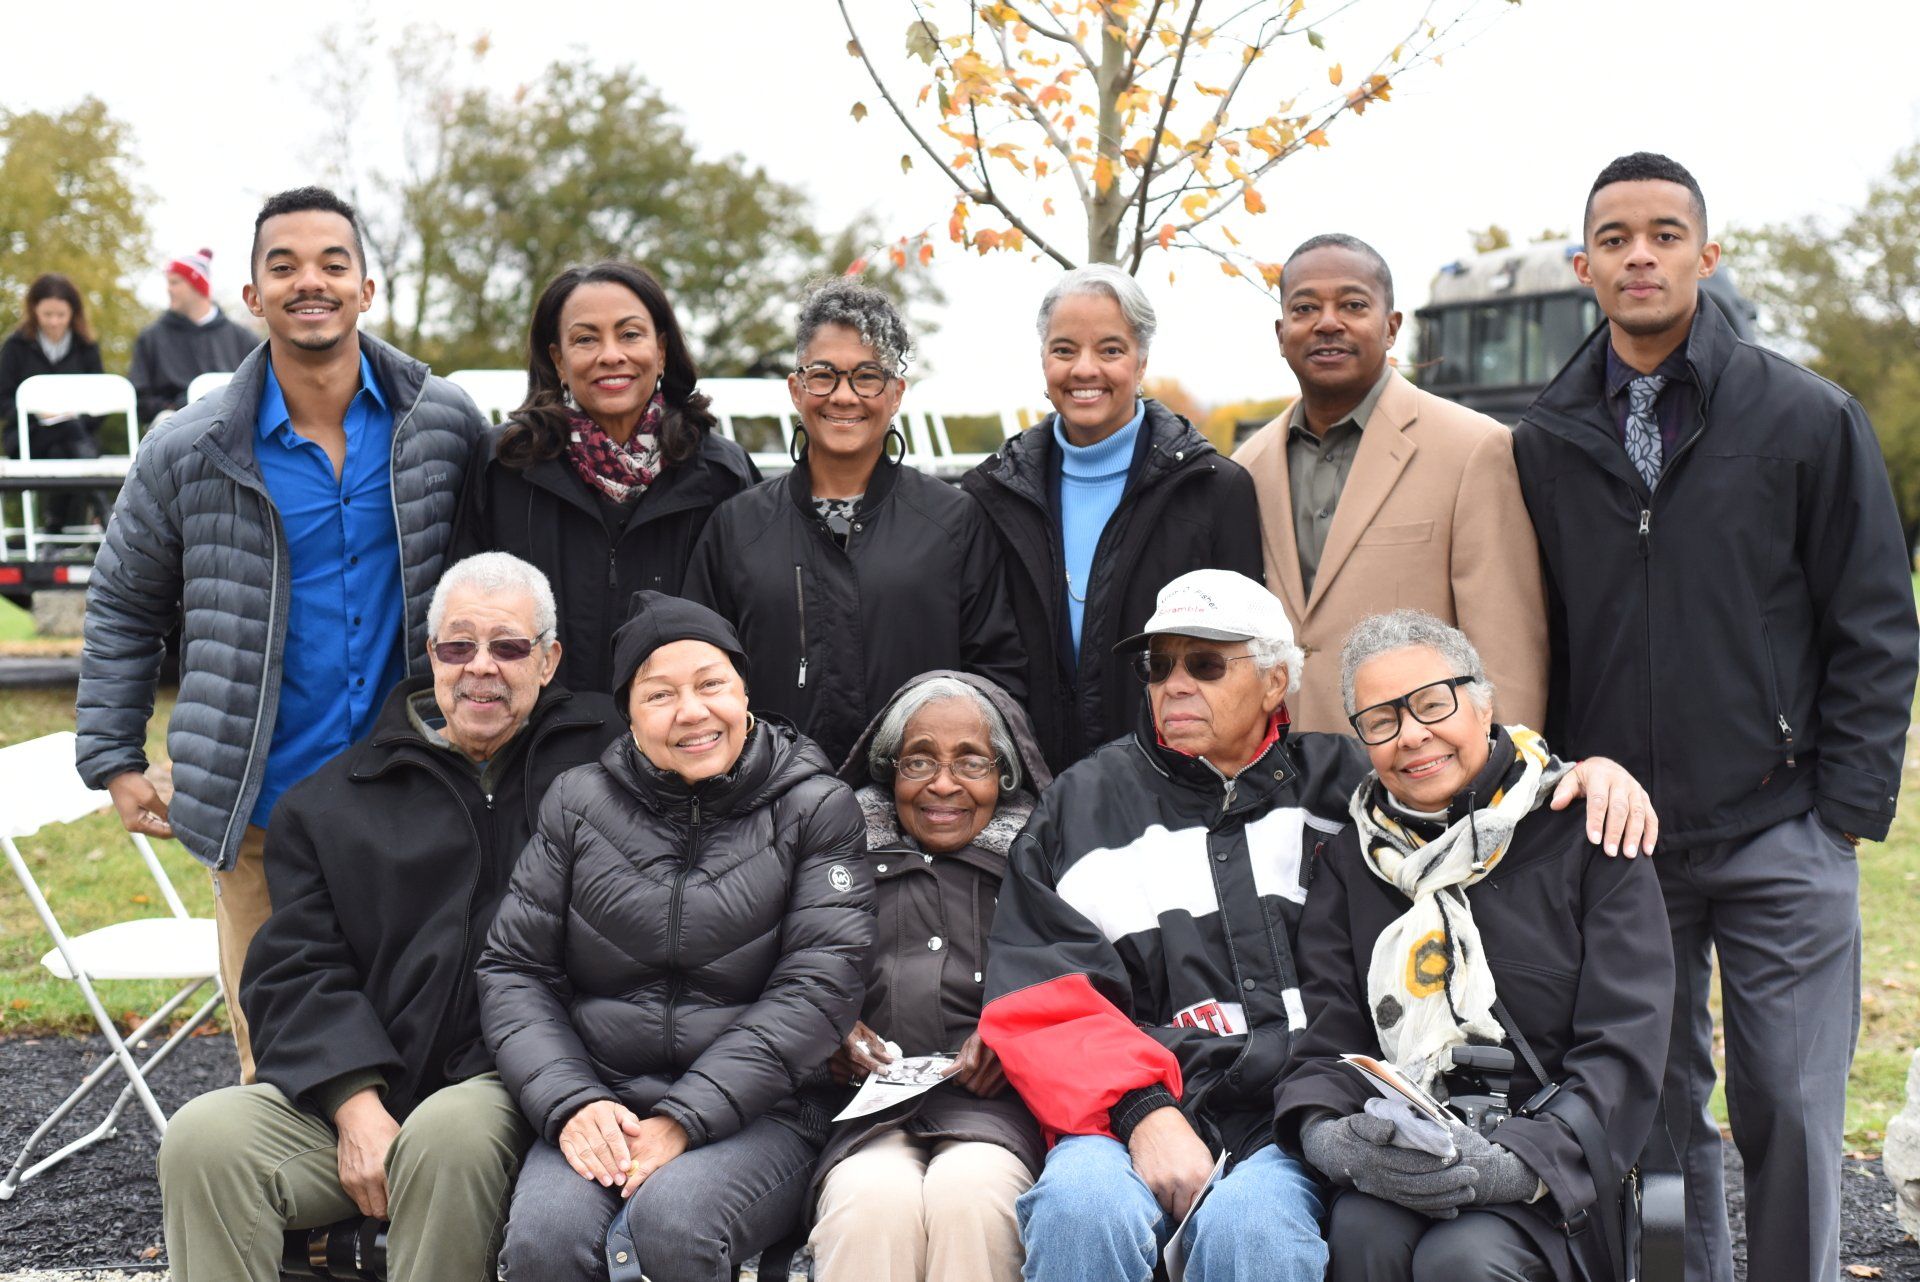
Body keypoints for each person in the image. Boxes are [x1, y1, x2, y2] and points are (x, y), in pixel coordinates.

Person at [977, 569, 1652, 1282]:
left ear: (1275, 683)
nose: (1174, 684)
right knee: (1078, 1211)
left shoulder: (1348, 789)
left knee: (1258, 1234)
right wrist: (1143, 1110)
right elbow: (1039, 999)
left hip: (1285, 1123)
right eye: (1157, 664)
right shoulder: (1076, 808)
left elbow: (1459, 767)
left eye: (1205, 663)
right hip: (1123, 1119)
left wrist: (1593, 772)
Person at [1511, 153, 1920, 1282]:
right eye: (1616, 237)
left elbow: (1878, 622)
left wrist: (1840, 808)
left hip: (1781, 823)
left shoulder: (1803, 416)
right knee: (1655, 1115)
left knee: (1788, 1103)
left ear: (1707, 252)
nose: (1640, 254)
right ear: (1582, 262)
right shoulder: (1543, 441)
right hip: (1620, 841)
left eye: (1664, 233)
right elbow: (1535, 634)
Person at [75, 185, 487, 1080]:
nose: (312, 282)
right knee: (283, 1068)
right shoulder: (189, 448)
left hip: (416, 793)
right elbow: (123, 603)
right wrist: (114, 754)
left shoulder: (444, 424)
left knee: (429, 1044)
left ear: (366, 288)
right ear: (253, 298)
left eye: (333, 264)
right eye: (284, 265)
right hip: (263, 812)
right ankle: (293, 1226)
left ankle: (405, 1222)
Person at [156, 552, 622, 1282]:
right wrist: (353, 1103)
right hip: (368, 1093)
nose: (481, 669)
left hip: (514, 1086)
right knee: (204, 1137)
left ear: (549, 659)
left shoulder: (608, 768)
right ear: (431, 655)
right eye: (458, 646)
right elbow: (293, 973)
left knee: (450, 1135)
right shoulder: (331, 802)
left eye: (508, 647)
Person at [477, 592, 876, 1282]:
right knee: (545, 1239)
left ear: (744, 691)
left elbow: (819, 986)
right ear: (628, 713)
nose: (692, 712)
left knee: (674, 1224)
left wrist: (687, 1117)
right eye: (659, 694)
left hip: (765, 1111)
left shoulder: (816, 805)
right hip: (603, 1097)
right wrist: (573, 1101)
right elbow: (515, 968)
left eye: (711, 684)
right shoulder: (578, 803)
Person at [1274, 609, 1673, 1282]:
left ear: (1484, 702)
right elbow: (1328, 1037)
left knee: (1461, 1260)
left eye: (1434, 704)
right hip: (1411, 1156)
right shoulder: (1352, 863)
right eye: (1381, 721)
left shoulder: (1584, 831)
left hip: (1558, 1175)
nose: (1412, 735)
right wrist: (1338, 1143)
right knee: (1360, 1230)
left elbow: (1624, 1043)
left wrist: (1516, 1166)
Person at [683, 278, 1024, 769]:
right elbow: (699, 677)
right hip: (769, 808)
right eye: (824, 375)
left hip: (915, 810)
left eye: (867, 376)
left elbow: (998, 676)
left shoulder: (953, 522)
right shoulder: (737, 528)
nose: (844, 396)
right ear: (797, 389)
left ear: (896, 392)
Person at [1233, 234, 1547, 733]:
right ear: (1280, 331)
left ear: (1391, 327)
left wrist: (1502, 787)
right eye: (1305, 307)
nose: (1328, 322)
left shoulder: (1471, 448)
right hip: (1279, 784)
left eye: (1353, 305)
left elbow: (1506, 651)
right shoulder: (1245, 468)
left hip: (1420, 781)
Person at [962, 265, 1264, 773]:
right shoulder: (990, 495)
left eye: (1110, 350)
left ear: (1142, 360)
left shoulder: (1214, 490)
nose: (1084, 369)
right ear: (1043, 360)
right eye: (1064, 350)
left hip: (1173, 789)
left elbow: (1245, 664)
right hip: (1026, 792)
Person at [809, 671, 1051, 1282]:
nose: (943, 784)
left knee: (973, 1198)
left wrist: (1012, 1040)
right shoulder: (837, 866)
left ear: (1006, 775)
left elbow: (1084, 987)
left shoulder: (1040, 866)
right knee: (868, 1206)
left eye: (972, 762)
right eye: (919, 762)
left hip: (998, 1110)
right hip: (867, 1113)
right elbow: (793, 981)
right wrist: (829, 1038)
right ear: (890, 772)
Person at [450, 261, 757, 694]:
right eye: (585, 339)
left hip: (680, 743)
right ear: (558, 358)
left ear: (662, 350)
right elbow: (462, 618)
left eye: (630, 334)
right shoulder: (504, 467)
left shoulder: (722, 474)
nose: (611, 354)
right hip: (535, 744)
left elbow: (748, 627)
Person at [0, 272, 108, 533]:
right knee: (71, 436)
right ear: (34, 310)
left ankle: (54, 529)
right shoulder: (15, 347)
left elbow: (101, 404)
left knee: (67, 442)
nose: (54, 322)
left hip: (75, 438)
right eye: (47, 314)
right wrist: (37, 412)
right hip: (29, 438)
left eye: (61, 315)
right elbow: (3, 401)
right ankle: (104, 507)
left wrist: (76, 415)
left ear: (73, 313)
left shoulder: (86, 348)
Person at [128, 247, 260, 425]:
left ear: (196, 285)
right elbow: (139, 398)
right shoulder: (151, 338)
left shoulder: (243, 339)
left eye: (174, 282)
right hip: (172, 430)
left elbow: (260, 391)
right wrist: (175, 408)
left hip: (234, 428)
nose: (169, 290)